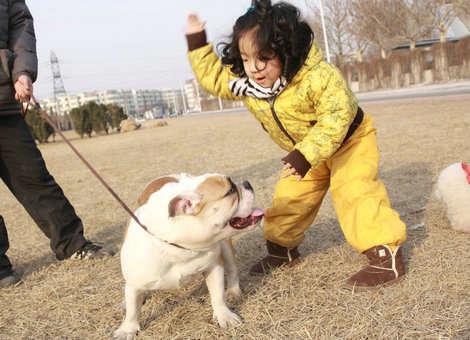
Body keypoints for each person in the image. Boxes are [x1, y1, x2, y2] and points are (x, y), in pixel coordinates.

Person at [184, 0, 407, 288]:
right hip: (305, 150)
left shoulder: (316, 76)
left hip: (349, 142)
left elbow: (338, 115)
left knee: (355, 191)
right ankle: (282, 250)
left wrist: (306, 154)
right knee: (290, 197)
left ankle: (385, 253)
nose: (254, 68)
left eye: (264, 57)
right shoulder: (249, 85)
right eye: (246, 58)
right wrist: (197, 41)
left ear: (286, 49)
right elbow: (214, 78)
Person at [0, 0, 111, 289]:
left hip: (3, 99)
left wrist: (22, 71)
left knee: (34, 178)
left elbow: (21, 26)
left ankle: (73, 244)